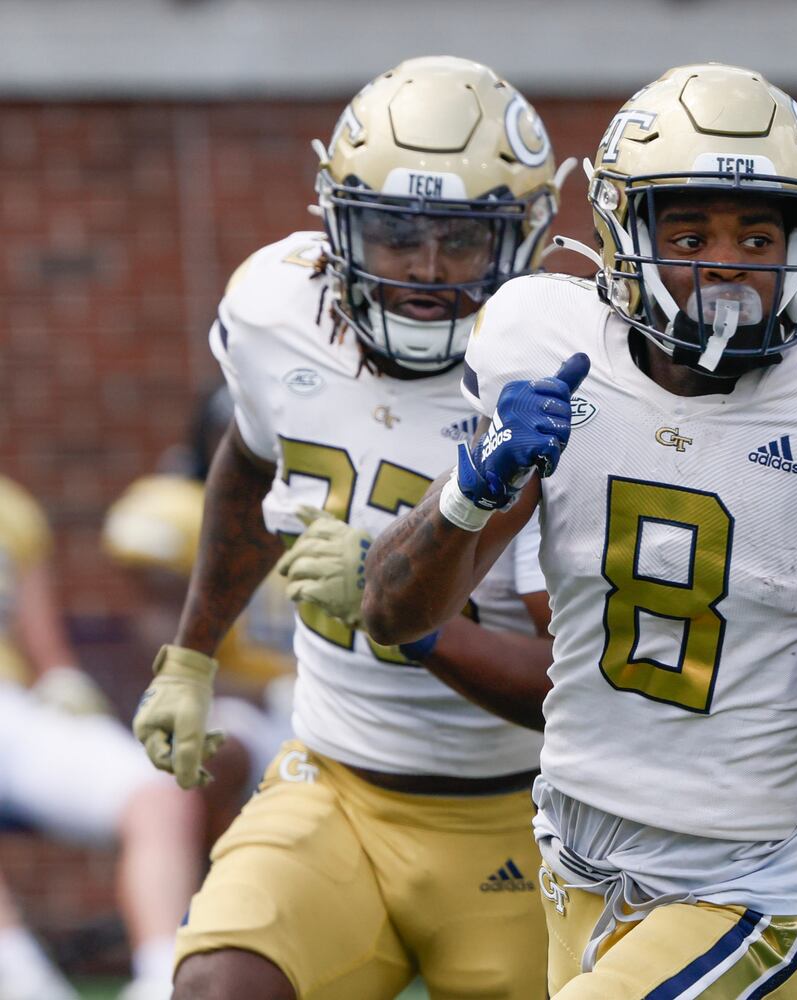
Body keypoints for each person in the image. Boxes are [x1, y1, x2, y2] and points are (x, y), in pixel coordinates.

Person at [357, 63, 797, 999]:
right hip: (574, 857)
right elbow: (389, 613)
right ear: (626, 236)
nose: (728, 261)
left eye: (757, 232)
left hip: (750, 887)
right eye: (690, 232)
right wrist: (471, 489)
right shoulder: (546, 349)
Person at [129, 57, 566, 1000]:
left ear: (524, 240)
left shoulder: (555, 381)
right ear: (335, 220)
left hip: (524, 816)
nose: (426, 268)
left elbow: (575, 685)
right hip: (332, 779)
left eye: (461, 238)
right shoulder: (274, 308)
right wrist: (192, 656)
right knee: (218, 984)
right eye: (396, 232)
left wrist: (405, 612)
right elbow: (249, 464)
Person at [0, 474, 204, 1000]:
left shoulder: (11, 508)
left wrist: (63, 684)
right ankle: (23, 979)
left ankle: (161, 978)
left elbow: (44, 650)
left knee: (154, 790)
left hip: (11, 708)